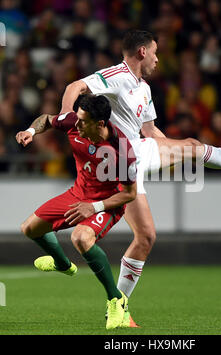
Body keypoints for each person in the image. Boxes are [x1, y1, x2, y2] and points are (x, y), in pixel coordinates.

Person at [57, 30, 221, 325]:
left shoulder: (144, 89)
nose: (159, 59)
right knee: (194, 147)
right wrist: (62, 116)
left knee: (145, 236)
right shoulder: (118, 74)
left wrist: (170, 153)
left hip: (132, 160)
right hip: (125, 153)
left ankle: (117, 310)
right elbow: (75, 86)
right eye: (156, 52)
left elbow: (150, 132)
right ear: (142, 52)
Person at [15, 94, 138, 330]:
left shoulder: (123, 151)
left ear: (100, 124)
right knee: (29, 229)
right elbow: (47, 119)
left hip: (108, 202)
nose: (76, 124)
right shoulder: (74, 121)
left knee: (80, 237)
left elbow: (130, 194)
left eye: (83, 121)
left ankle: (116, 299)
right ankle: (62, 264)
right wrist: (30, 131)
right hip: (77, 194)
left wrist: (93, 207)